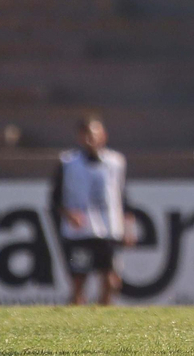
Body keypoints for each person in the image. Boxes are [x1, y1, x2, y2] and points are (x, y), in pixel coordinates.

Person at [50, 116, 134, 306]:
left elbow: (123, 197)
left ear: (103, 135)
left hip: (109, 229)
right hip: (81, 232)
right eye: (86, 134)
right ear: (80, 137)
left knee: (111, 280)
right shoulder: (68, 163)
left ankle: (104, 321)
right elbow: (55, 198)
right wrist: (69, 214)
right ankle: (75, 322)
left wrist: (128, 227)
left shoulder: (116, 162)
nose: (91, 139)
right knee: (79, 280)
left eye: (94, 134)